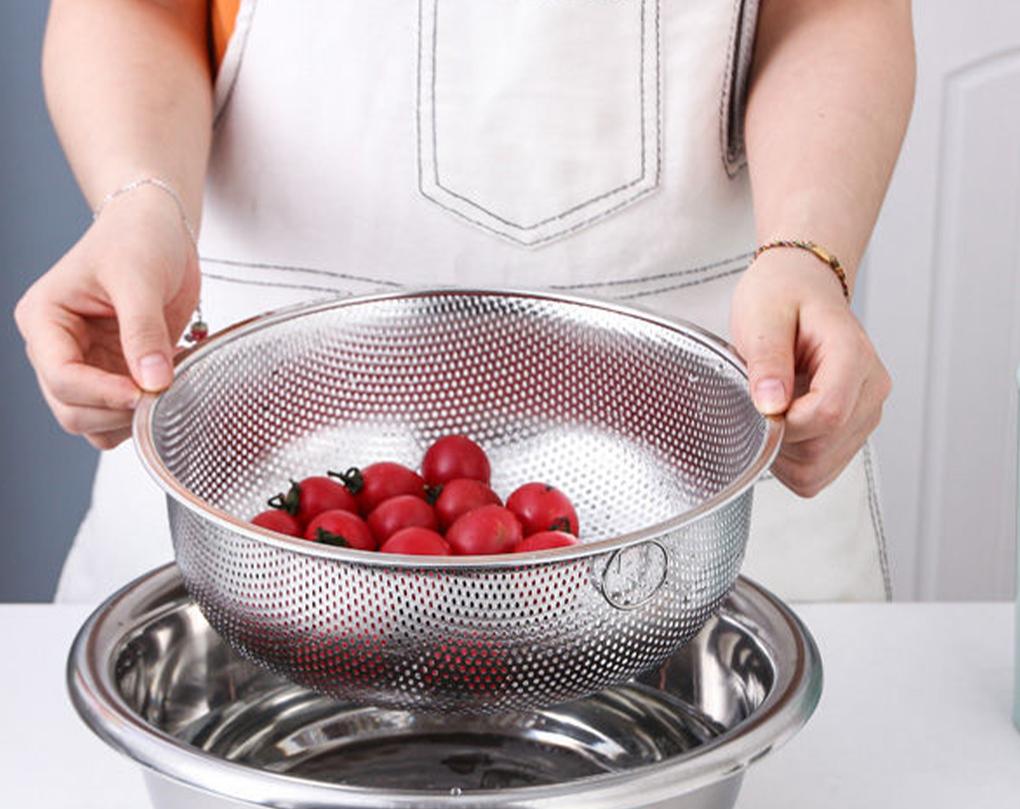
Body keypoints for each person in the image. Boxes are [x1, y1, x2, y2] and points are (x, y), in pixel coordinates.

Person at [15, 0, 915, 605]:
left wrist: (806, 252)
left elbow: (837, 10)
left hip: (709, 462)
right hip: (245, 465)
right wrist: (139, 204)